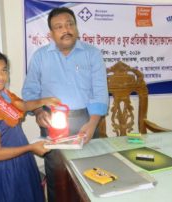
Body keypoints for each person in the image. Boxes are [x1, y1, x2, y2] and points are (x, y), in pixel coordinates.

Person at [22, 6, 109, 201]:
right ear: (51, 33)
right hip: (54, 124)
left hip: (87, 121)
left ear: (77, 28)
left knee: (91, 174)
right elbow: (29, 92)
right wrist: (37, 112)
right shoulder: (40, 56)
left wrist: (93, 123)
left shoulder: (92, 54)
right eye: (59, 26)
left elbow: (100, 91)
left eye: (70, 24)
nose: (66, 29)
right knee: (58, 177)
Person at [0, 50, 60, 202]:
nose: (1, 76)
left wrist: (45, 100)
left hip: (19, 161)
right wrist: (31, 148)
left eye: (4, 70)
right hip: (4, 171)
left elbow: (23, 105)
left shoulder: (3, 95)